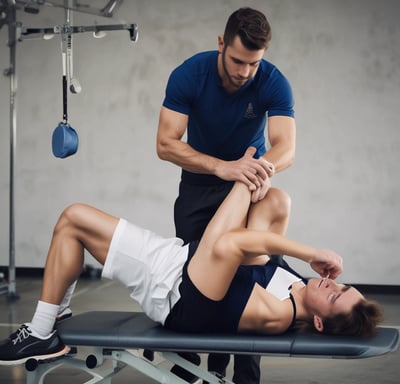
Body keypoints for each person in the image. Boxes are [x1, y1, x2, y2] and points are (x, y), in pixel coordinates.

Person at [0, 182, 383, 366]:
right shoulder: (298, 286)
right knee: (278, 198)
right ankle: (56, 313)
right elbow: (257, 226)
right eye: (341, 285)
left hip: (170, 290)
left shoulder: (277, 313)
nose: (331, 283)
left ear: (318, 323)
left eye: (333, 296)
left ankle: (40, 333)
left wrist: (310, 251)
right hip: (180, 259)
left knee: (73, 219)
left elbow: (228, 244)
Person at [156, 7, 295, 382]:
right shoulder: (190, 74)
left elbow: (285, 146)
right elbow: (166, 144)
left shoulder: (272, 81)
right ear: (221, 43)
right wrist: (222, 166)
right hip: (199, 187)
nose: (244, 72)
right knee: (195, 282)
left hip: (246, 188)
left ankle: (244, 374)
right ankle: (186, 366)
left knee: (251, 276)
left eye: (253, 64)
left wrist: (260, 169)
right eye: (237, 61)